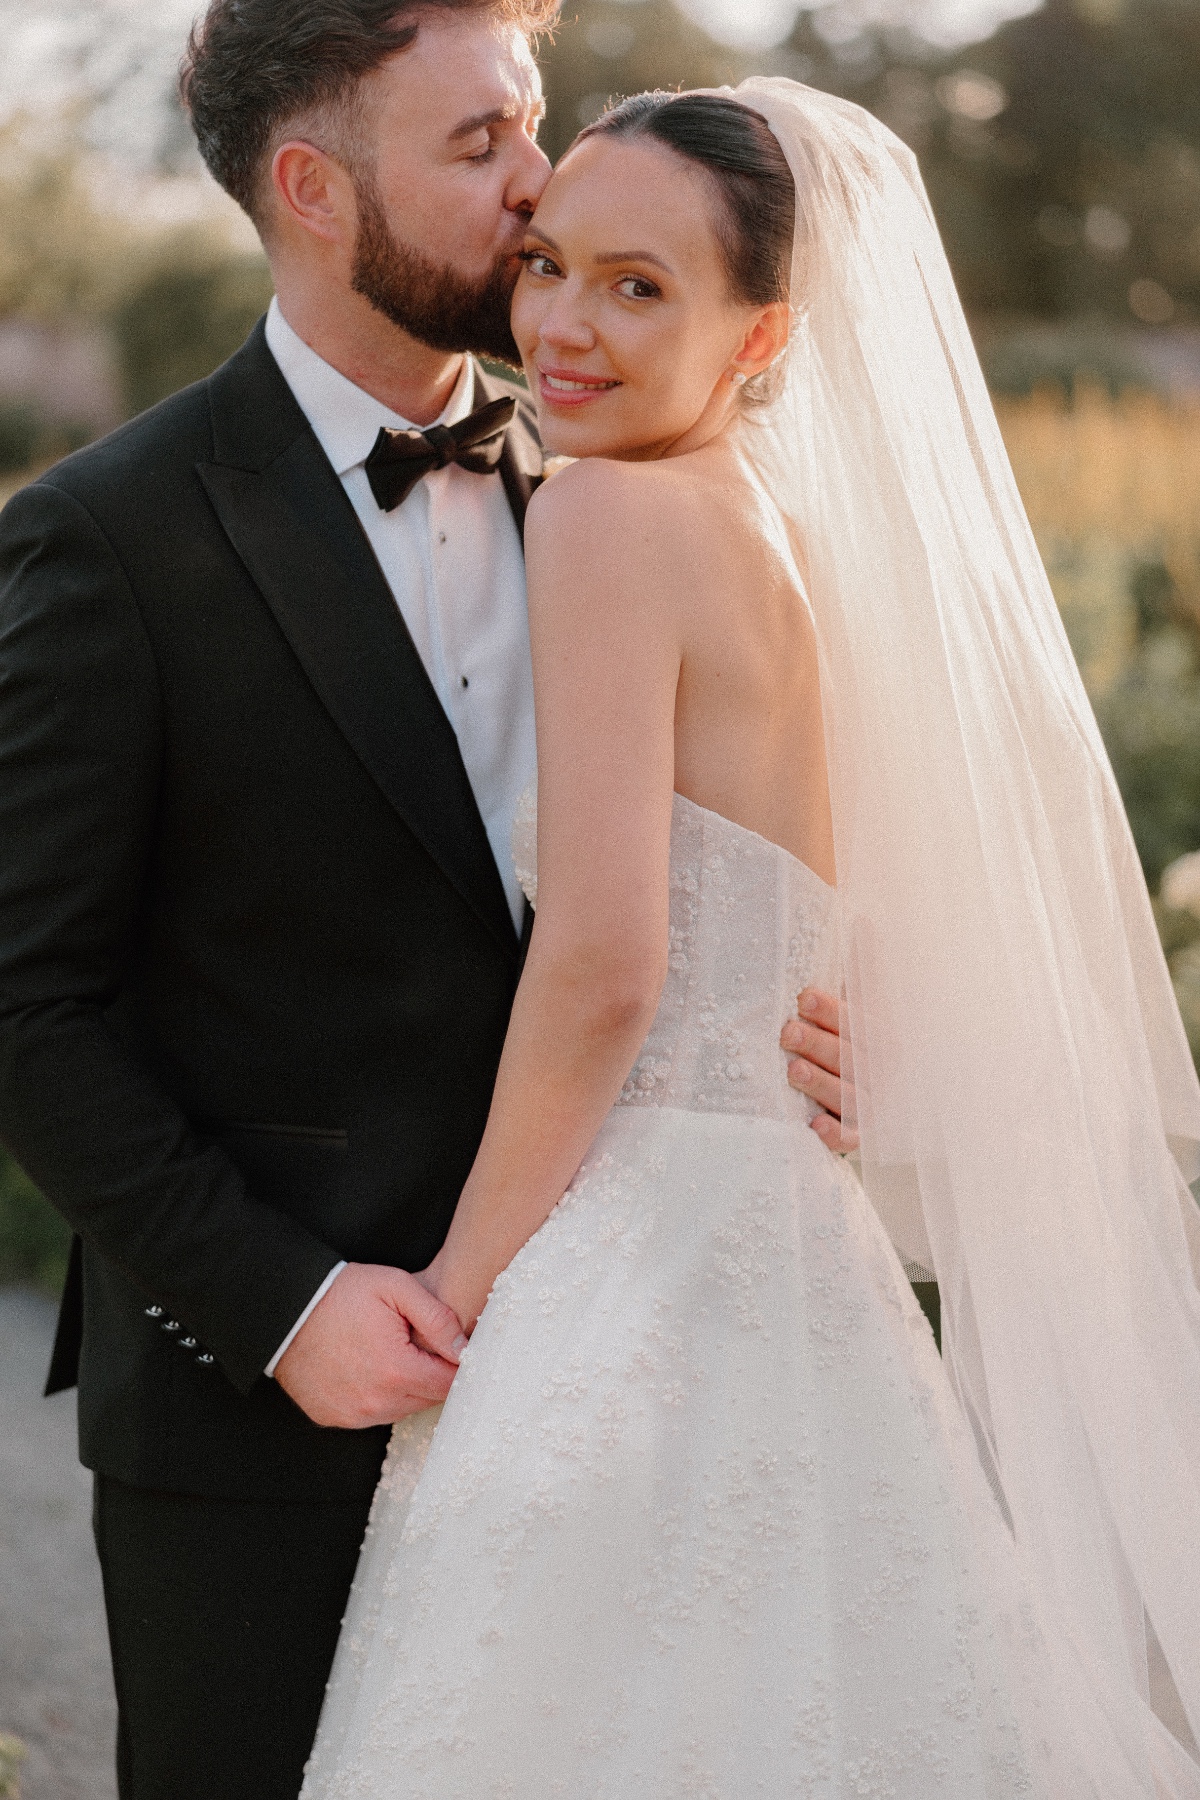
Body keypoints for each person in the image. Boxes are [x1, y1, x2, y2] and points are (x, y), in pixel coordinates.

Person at [300, 83, 1200, 1799]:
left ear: (762, 328)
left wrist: (459, 1294)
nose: (561, 325)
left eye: (642, 288)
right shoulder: (777, 529)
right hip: (794, 1231)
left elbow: (608, 967)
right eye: (551, 263)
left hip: (643, 1227)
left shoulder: (609, 515)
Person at [0, 12, 851, 1800]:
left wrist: (858, 1023)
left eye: (530, 124)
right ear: (314, 188)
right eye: (478, 148)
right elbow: (24, 1002)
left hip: (649, 1373)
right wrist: (287, 1304)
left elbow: (769, 877)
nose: (540, 184)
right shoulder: (112, 533)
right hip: (273, 1417)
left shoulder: (633, 462)